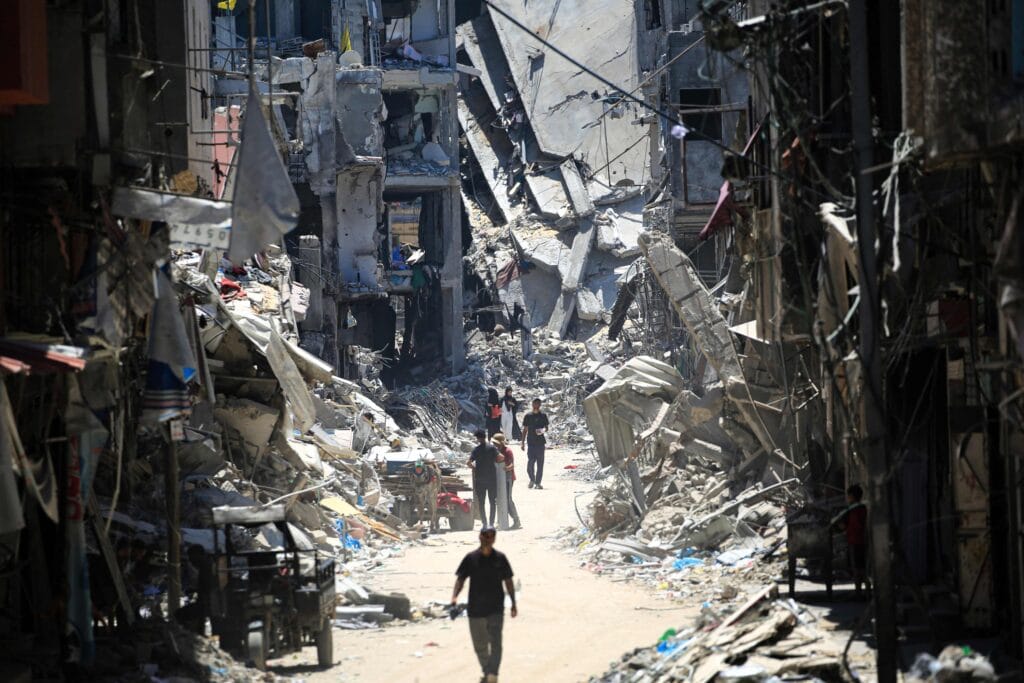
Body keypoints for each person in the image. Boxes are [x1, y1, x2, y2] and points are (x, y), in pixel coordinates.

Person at [451, 527, 517, 683]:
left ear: (494, 539)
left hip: (495, 608)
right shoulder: (471, 558)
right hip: (476, 609)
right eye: (485, 536)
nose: (488, 539)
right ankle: (488, 672)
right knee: (480, 645)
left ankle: (492, 674)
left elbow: (508, 582)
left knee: (496, 643)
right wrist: (454, 597)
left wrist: (513, 603)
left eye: (491, 536)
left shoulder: (500, 558)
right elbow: (461, 579)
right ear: (479, 537)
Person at [837, 484, 868, 597]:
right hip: (860, 540)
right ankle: (864, 591)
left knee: (858, 568)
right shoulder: (861, 507)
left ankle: (858, 592)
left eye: (848, 496)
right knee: (861, 567)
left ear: (852, 496)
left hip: (855, 541)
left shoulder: (854, 509)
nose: (847, 498)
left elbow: (854, 526)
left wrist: (844, 527)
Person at [469, 429, 501, 527]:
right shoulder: (492, 448)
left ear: (478, 439)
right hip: (491, 479)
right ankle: (491, 523)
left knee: (481, 503)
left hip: (480, 479)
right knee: (492, 502)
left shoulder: (476, 450)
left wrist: (475, 468)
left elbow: (468, 463)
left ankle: (484, 523)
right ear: (486, 436)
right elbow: (501, 457)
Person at [491, 432, 522, 529]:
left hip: (508, 478)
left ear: (501, 443)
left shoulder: (508, 451)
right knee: (498, 499)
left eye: (496, 443)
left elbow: (511, 465)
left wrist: (505, 468)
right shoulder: (494, 451)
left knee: (507, 500)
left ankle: (516, 521)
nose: (494, 445)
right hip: (498, 478)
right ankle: (500, 520)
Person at [521, 398, 549, 489]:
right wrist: (522, 443)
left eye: (538, 404)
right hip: (531, 443)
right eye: (535, 403)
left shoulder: (543, 415)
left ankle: (538, 483)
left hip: (540, 443)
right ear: (532, 404)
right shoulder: (528, 416)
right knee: (530, 463)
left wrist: (542, 430)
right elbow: (525, 430)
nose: (536, 405)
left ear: (540, 405)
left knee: (540, 464)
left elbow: (546, 428)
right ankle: (532, 479)